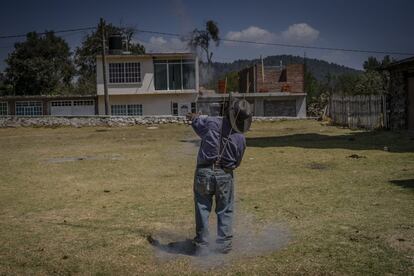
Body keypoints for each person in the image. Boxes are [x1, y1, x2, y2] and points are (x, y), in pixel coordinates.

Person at [186, 98, 252, 255]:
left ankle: (201, 244)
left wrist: (195, 117)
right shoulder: (240, 138)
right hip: (225, 174)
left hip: (203, 172)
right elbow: (237, 161)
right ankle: (223, 244)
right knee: (225, 209)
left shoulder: (211, 122)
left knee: (202, 208)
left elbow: (196, 124)